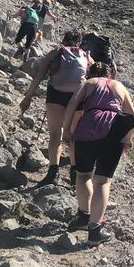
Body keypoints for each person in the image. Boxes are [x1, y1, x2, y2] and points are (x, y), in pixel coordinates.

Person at [63, 62, 134, 246]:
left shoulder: (89, 83)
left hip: (88, 127)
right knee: (103, 180)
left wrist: (66, 130)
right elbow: (132, 115)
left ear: (90, 72)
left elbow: (72, 103)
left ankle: (83, 215)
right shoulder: (119, 85)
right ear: (110, 73)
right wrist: (127, 138)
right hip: (114, 129)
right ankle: (94, 231)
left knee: (83, 175)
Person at [20, 31, 92, 187]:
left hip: (55, 95)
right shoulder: (86, 57)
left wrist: (28, 97)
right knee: (73, 136)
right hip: (77, 98)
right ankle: (74, 176)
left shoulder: (55, 53)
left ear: (63, 41)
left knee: (55, 134)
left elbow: (39, 75)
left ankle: (52, 172)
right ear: (79, 43)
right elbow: (94, 77)